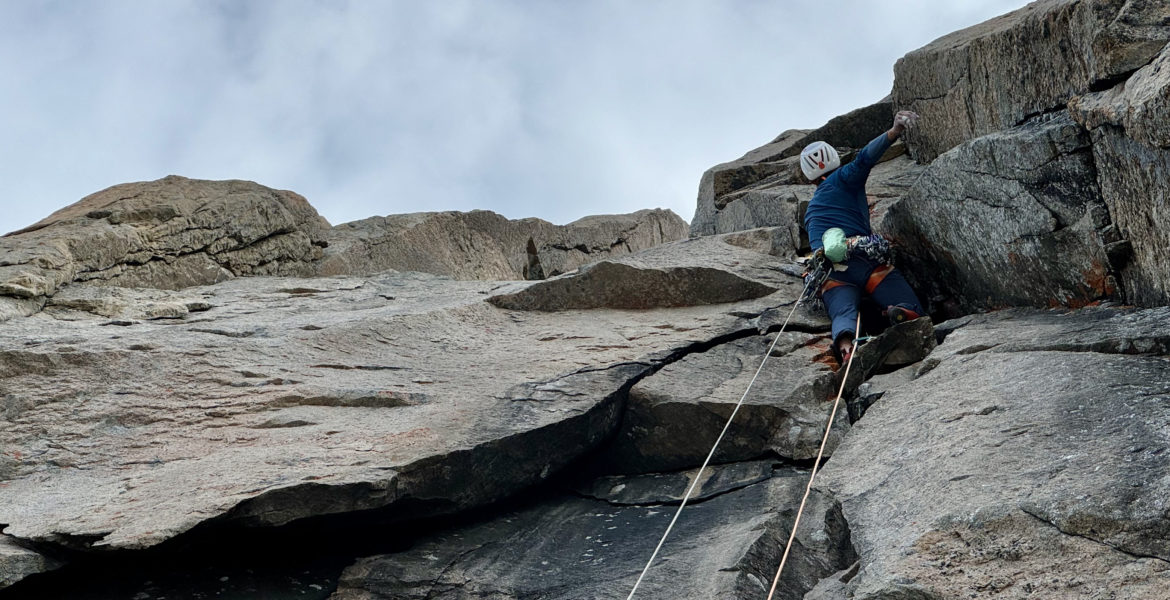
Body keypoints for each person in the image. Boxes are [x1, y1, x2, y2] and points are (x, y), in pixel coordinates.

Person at [801, 110, 925, 363]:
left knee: (842, 311)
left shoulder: (811, 210)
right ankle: (898, 311)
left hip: (830, 273)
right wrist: (894, 132)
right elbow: (864, 159)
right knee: (908, 303)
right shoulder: (842, 179)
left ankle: (846, 343)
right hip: (863, 260)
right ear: (834, 159)